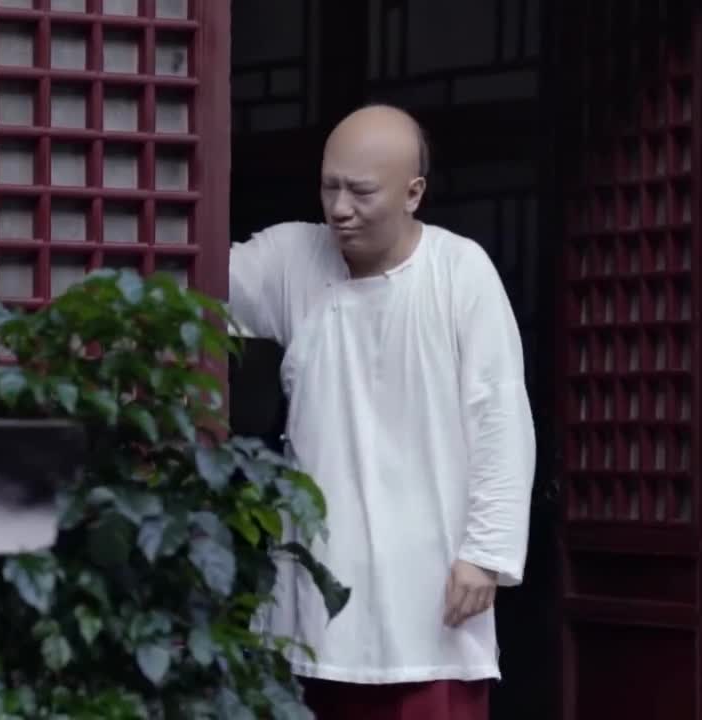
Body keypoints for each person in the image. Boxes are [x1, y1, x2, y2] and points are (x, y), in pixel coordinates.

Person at [228, 103, 536, 720]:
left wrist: (486, 555)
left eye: (361, 192)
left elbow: (501, 417)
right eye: (329, 187)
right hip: (322, 580)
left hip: (432, 589)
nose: (340, 208)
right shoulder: (292, 257)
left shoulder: (460, 271)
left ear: (413, 193)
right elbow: (187, 280)